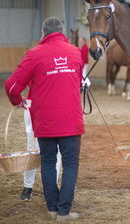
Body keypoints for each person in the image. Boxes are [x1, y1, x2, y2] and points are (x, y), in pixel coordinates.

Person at [5, 17, 84, 221]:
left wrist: (18, 101)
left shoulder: (34, 54)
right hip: (70, 121)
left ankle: (52, 208)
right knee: (70, 164)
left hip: (44, 122)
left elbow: (12, 86)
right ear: (63, 31)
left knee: (47, 163)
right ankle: (64, 211)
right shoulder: (76, 53)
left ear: (43, 33)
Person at [20, 99, 62, 201]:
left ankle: (51, 187)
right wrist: (16, 100)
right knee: (33, 150)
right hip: (37, 107)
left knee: (55, 150)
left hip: (57, 107)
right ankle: (28, 186)